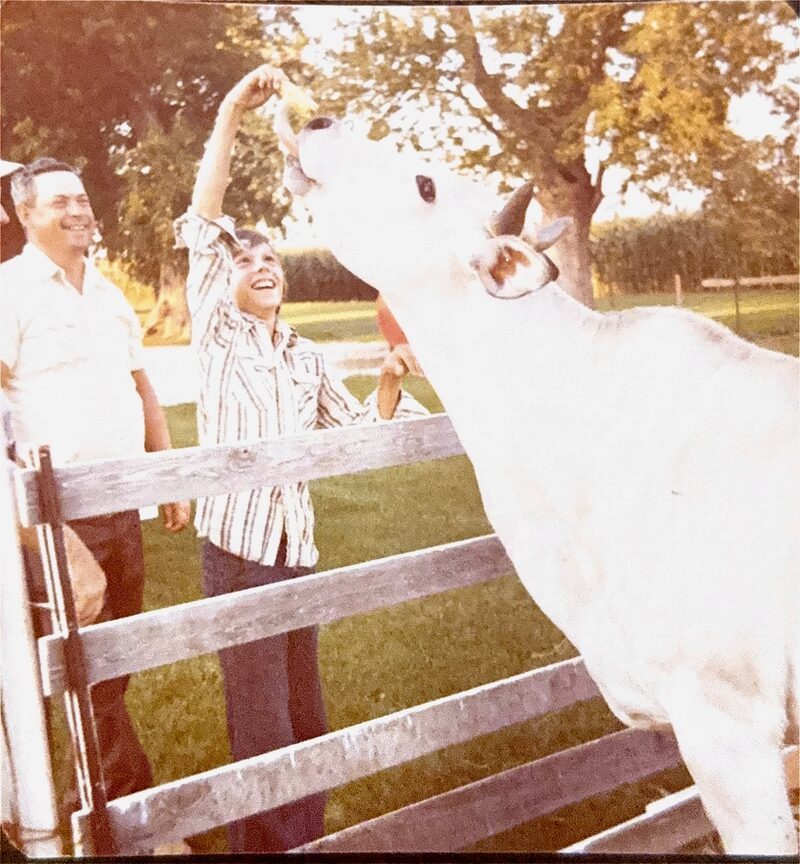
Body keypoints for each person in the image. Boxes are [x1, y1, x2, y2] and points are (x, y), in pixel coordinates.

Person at [175, 64, 427, 853]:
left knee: (306, 724)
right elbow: (205, 218)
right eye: (245, 260)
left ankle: (303, 844)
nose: (261, 264)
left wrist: (387, 379)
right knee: (262, 729)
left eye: (271, 257)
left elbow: (358, 434)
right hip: (239, 555)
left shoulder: (302, 355)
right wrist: (226, 116)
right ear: (225, 279)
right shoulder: (216, 336)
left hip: (297, 555)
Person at [0, 157, 191, 841]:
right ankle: (130, 825)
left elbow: (141, 386)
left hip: (122, 506)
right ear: (25, 213)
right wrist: (51, 541)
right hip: (55, 522)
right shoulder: (10, 292)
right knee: (85, 677)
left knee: (111, 669)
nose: (79, 210)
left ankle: (97, 808)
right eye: (60, 202)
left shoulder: (108, 294)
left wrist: (163, 473)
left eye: (82, 198)